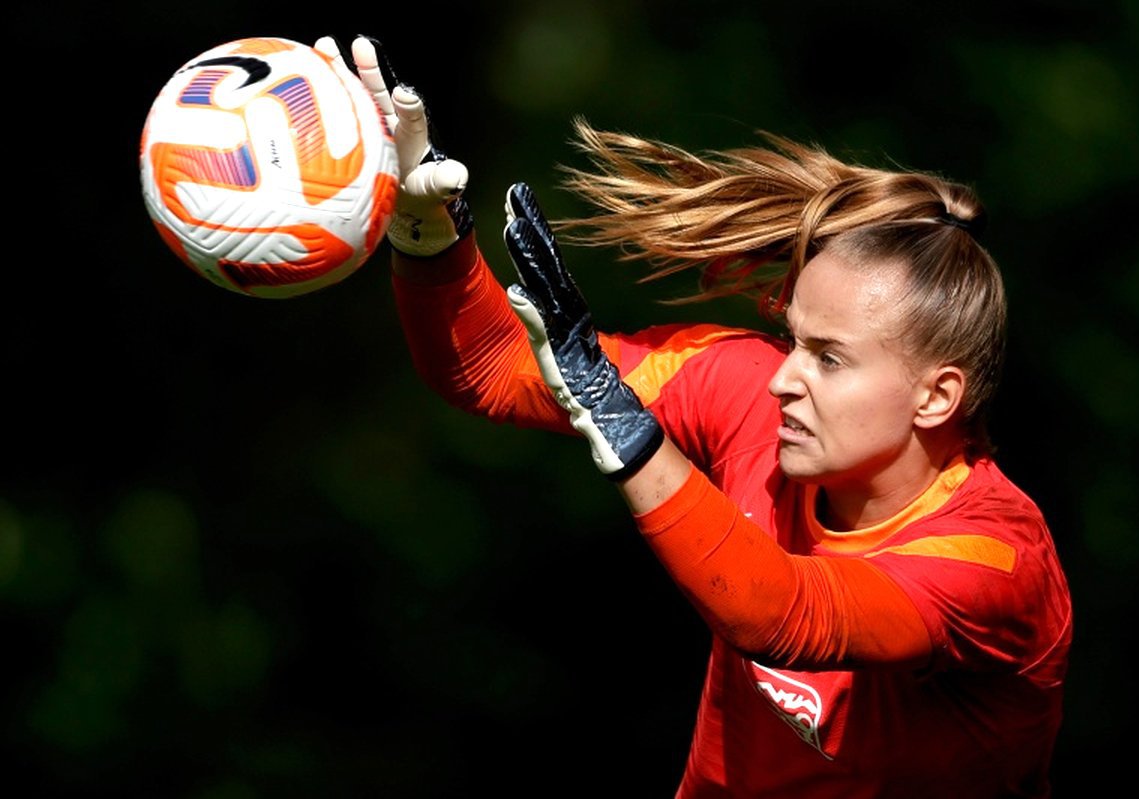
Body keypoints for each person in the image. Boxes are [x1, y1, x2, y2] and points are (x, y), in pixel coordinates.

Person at [317, 34, 1073, 798]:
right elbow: (486, 370)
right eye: (793, 339)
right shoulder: (749, 395)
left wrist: (619, 422)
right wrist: (425, 227)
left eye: (830, 358)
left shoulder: (993, 562)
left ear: (936, 397)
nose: (784, 378)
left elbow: (782, 613)